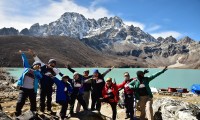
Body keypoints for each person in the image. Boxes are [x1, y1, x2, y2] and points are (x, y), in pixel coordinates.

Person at [29, 49, 63, 114]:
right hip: (43, 85)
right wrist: (32, 54)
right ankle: (42, 110)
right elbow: (37, 59)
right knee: (42, 98)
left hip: (50, 86)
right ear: (49, 62)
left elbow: (58, 71)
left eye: (53, 63)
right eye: (51, 62)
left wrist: (51, 67)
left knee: (49, 98)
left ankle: (49, 109)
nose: (52, 64)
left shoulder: (55, 70)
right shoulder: (43, 66)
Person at [15, 50, 42, 117]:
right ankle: (17, 114)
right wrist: (22, 54)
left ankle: (33, 115)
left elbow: (40, 77)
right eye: (37, 64)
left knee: (33, 104)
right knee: (20, 102)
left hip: (32, 90)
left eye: (39, 66)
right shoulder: (27, 68)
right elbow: (25, 61)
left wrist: (36, 71)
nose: (38, 66)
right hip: (23, 88)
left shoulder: (38, 73)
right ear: (33, 65)